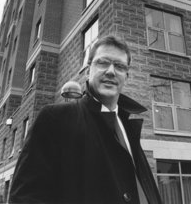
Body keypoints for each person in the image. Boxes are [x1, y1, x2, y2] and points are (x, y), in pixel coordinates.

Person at [9, 35, 162, 204]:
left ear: (127, 75)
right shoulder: (55, 119)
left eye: (119, 66)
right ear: (89, 68)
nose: (111, 71)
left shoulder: (128, 126)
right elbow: (25, 197)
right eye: (103, 62)